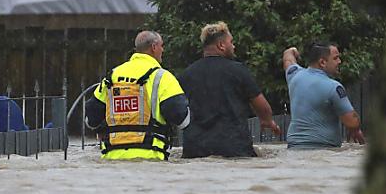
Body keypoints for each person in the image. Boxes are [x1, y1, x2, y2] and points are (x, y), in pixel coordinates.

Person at [178, 22, 280, 158]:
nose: (233, 46)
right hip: (233, 148)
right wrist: (267, 120)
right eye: (231, 42)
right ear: (221, 45)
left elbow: (177, 109)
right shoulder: (238, 71)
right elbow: (262, 106)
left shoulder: (186, 74)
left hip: (195, 150)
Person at [85, 30, 190, 160]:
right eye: (162, 46)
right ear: (154, 47)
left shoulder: (112, 76)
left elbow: (91, 119)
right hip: (151, 158)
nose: (163, 50)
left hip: (111, 160)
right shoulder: (162, 77)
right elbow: (182, 120)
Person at [283, 43, 365, 148]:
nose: (339, 62)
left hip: (293, 149)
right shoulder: (334, 87)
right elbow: (352, 122)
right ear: (322, 62)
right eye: (335, 58)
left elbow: (287, 59)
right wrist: (356, 129)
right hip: (324, 150)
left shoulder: (294, 75)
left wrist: (291, 50)